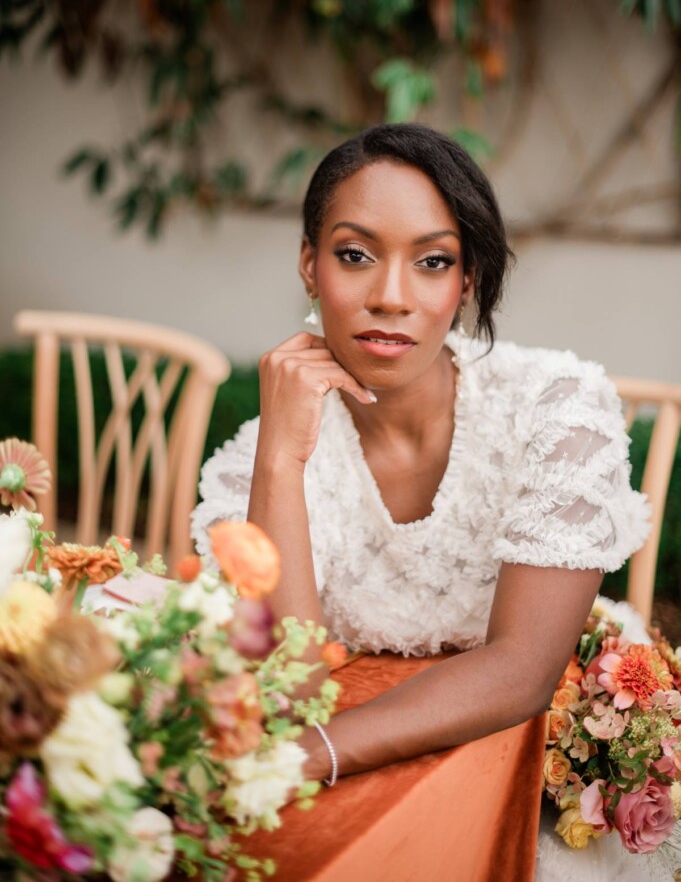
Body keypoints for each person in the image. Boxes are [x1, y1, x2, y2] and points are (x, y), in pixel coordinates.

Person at [191, 123, 653, 880]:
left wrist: (312, 754)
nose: (390, 298)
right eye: (353, 255)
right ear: (309, 266)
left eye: (432, 262)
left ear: (466, 281)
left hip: (553, 766)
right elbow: (292, 683)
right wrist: (280, 457)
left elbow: (522, 670)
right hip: (394, 756)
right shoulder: (260, 455)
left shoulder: (555, 407)